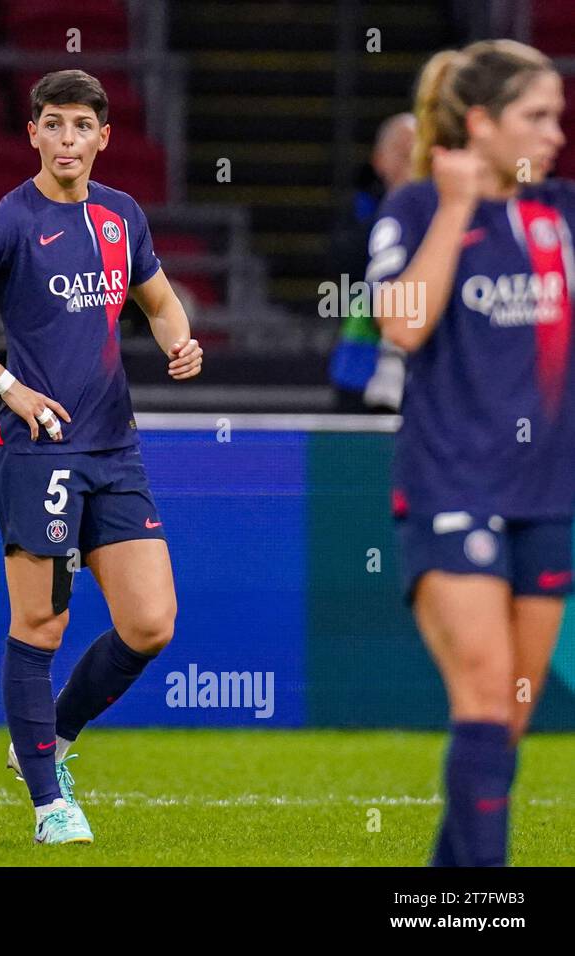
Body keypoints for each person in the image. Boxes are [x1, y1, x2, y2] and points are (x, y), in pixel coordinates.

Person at [0, 70, 202, 845]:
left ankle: (49, 739)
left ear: (104, 138)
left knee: (151, 623)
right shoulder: (10, 221)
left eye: (82, 127)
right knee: (41, 623)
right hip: (38, 450)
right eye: (53, 125)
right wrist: (8, 385)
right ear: (32, 134)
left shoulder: (121, 216)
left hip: (114, 445)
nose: (67, 140)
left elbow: (161, 301)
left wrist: (178, 341)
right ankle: (49, 805)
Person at [369, 39, 574, 866]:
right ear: (482, 122)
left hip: (548, 494)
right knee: (486, 694)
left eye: (558, 116)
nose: (556, 134)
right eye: (537, 117)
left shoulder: (557, 210)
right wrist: (456, 207)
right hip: (453, 481)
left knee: (508, 719)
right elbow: (403, 325)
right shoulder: (417, 208)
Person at [330, 112, 416, 411]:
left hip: (424, 375)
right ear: (380, 160)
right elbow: (343, 265)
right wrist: (398, 210)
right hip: (360, 369)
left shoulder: (446, 216)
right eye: (403, 152)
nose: (411, 160)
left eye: (419, 152)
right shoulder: (359, 209)